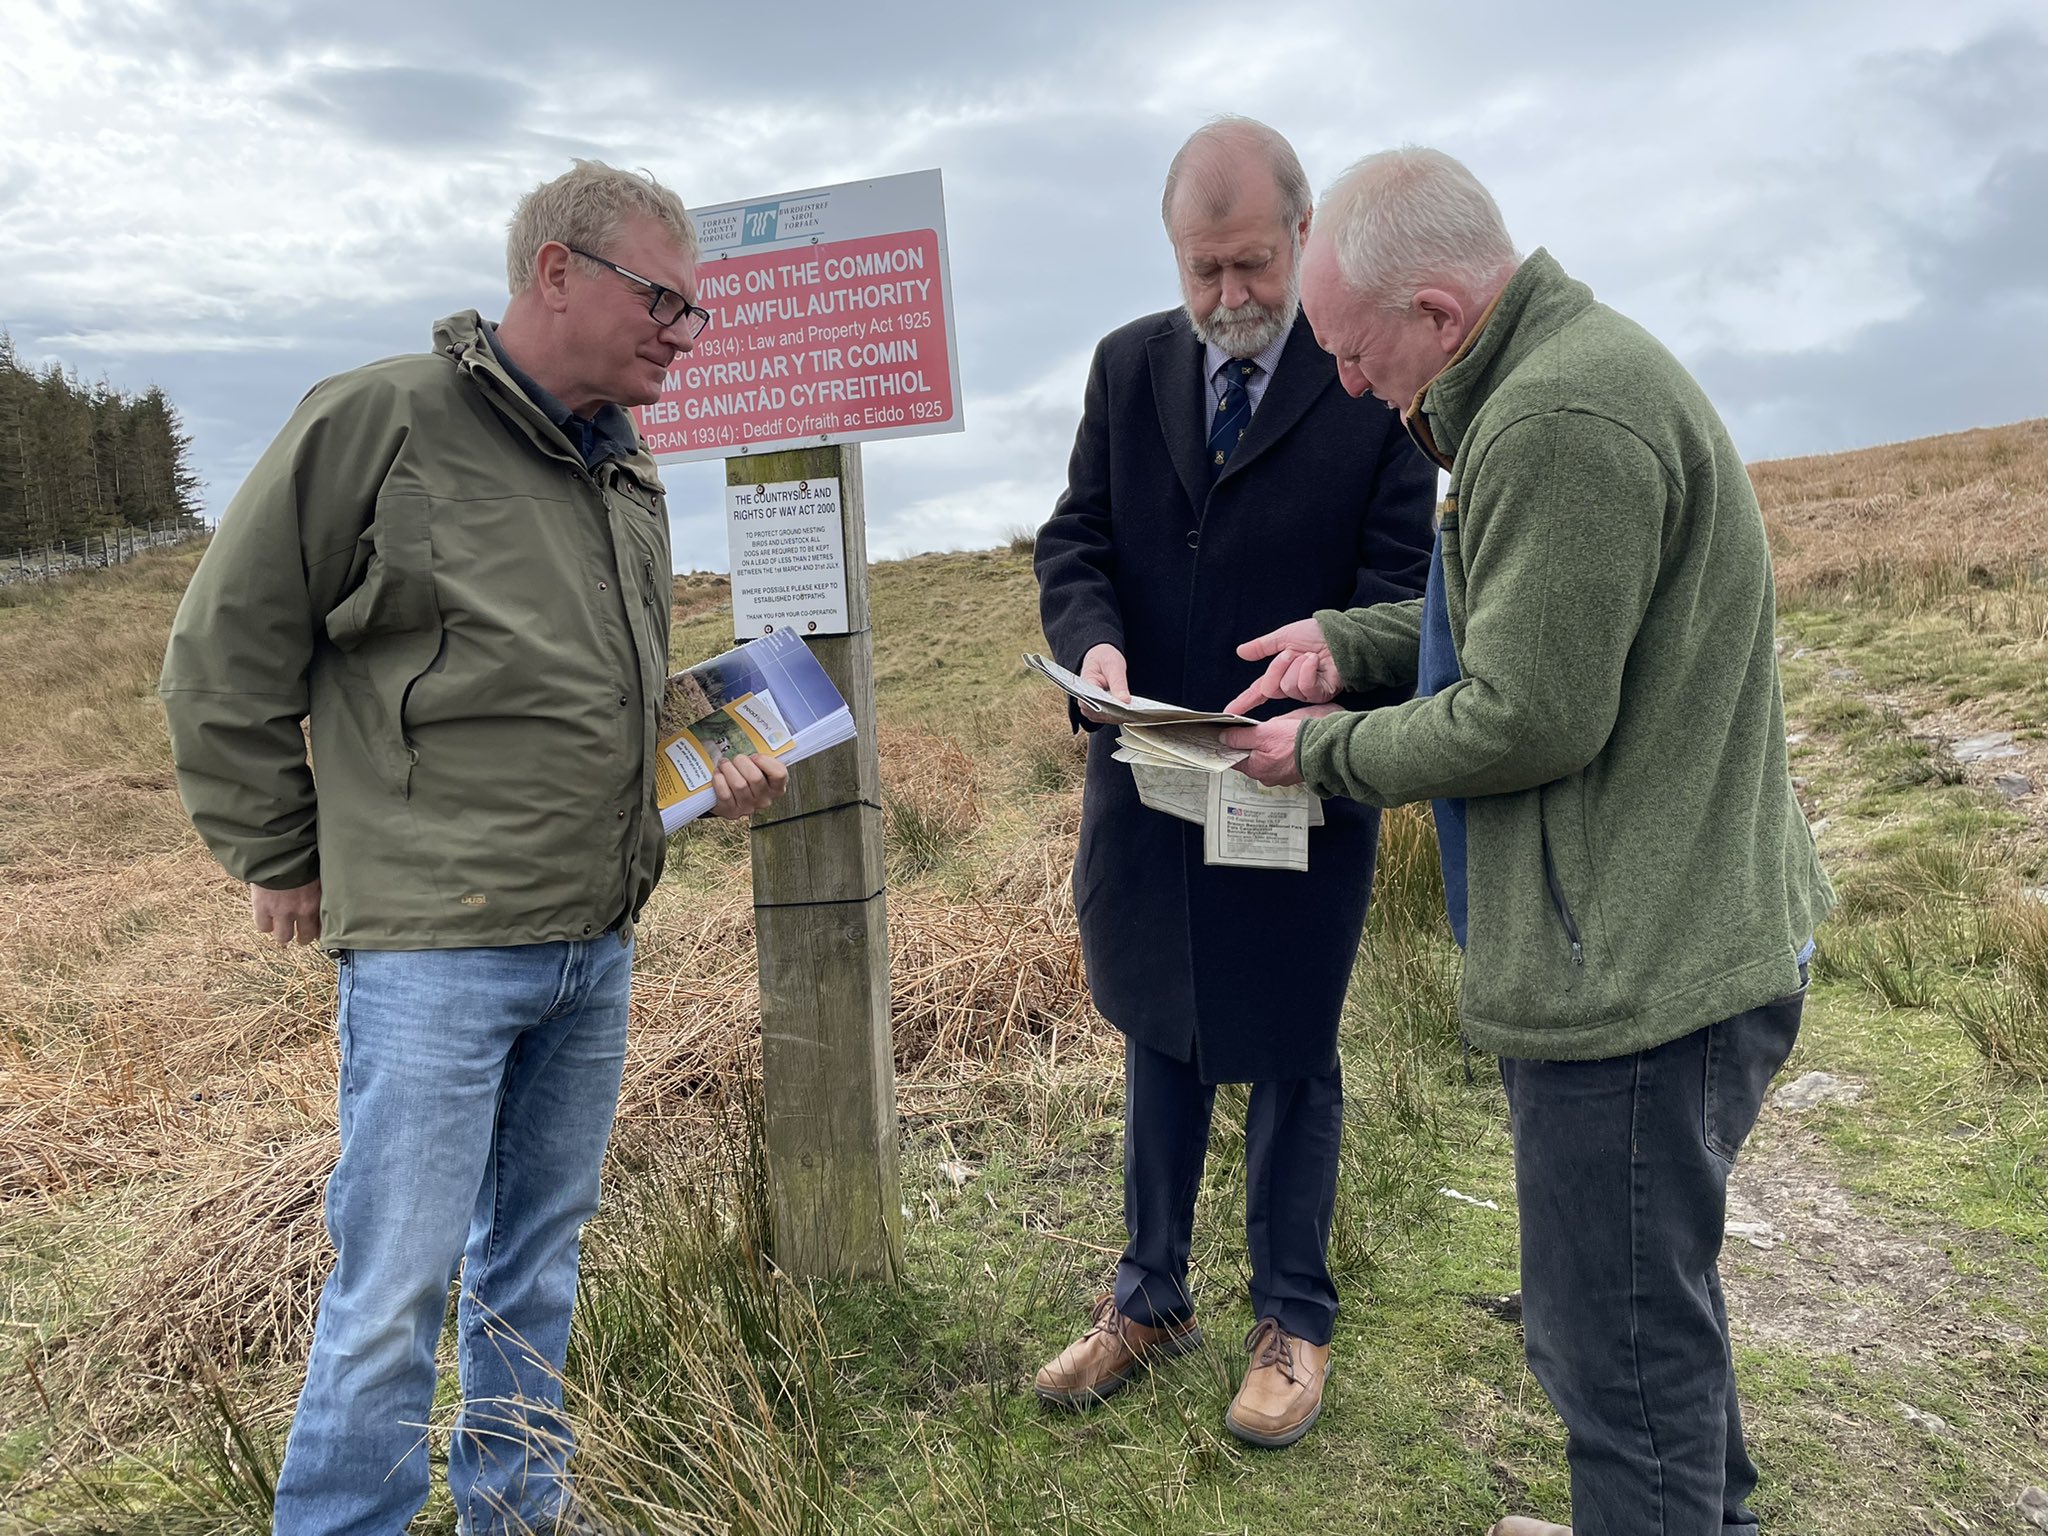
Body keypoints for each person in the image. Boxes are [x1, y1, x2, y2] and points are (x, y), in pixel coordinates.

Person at [159, 159, 788, 1536]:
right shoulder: (380, 420)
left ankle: (519, 1510)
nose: (684, 334)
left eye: (698, 312)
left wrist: (700, 762)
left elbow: (601, 689)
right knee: (393, 1290)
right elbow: (222, 649)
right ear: (554, 272)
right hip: (439, 949)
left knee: (539, 1269)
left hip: (594, 944)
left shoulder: (626, 469)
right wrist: (279, 848)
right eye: (663, 301)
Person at [1220, 147, 1834, 1533]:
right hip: (1657, 937)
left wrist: (1317, 752)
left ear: (1437, 312)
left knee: (1609, 1354)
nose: (1354, 386)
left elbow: (1528, 714)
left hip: (1634, 978)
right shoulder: (1544, 384)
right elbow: (1511, 624)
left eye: (1356, 352)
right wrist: (1349, 646)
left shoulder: (1557, 418)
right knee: (1646, 1320)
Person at [1032, 117, 1435, 1449]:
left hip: (1297, 777)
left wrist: (1330, 678)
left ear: (1305, 236)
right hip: (1150, 775)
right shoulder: (1126, 366)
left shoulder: (1369, 373)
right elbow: (1077, 535)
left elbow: (1404, 587)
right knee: (1159, 1026)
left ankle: (1292, 1319)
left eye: (1252, 265)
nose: (1227, 300)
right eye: (1203, 270)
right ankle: (1148, 1298)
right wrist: (1091, 638)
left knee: (1289, 1046)